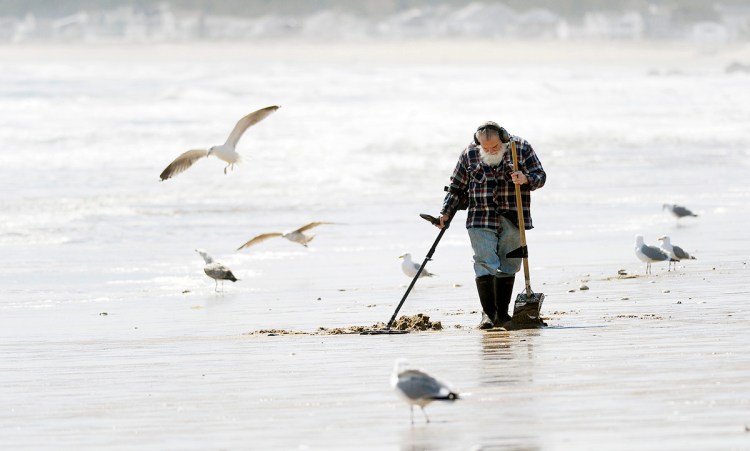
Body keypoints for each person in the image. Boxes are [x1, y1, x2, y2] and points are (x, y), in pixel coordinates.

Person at [437, 121, 546, 329]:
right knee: (484, 262)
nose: (490, 151)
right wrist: (445, 213)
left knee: (509, 264)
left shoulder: (520, 148)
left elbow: (540, 176)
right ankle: (488, 315)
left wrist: (525, 178)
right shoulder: (469, 153)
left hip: (514, 217)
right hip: (480, 217)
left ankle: (502, 315)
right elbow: (456, 188)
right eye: (485, 148)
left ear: (504, 139)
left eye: (495, 147)